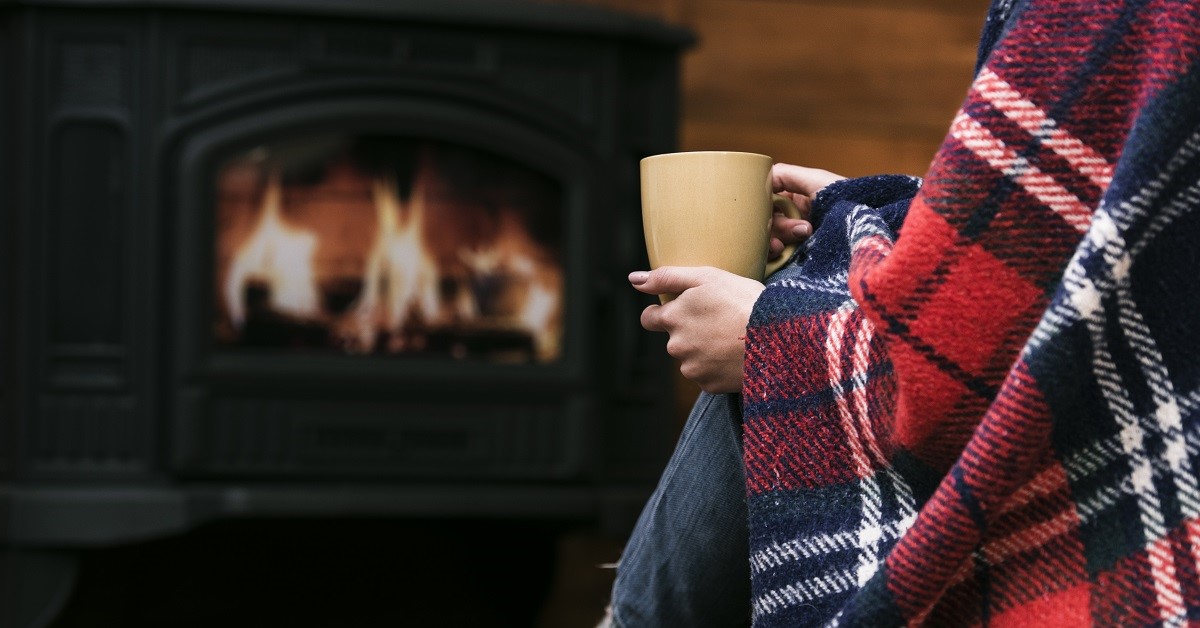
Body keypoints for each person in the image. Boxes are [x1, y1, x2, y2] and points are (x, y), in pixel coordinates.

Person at [602, 0, 1200, 625]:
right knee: (819, 282)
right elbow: (1081, 262)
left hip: (1125, 532)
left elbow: (949, 379)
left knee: (790, 317)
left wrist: (769, 338)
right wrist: (874, 215)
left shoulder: (1094, 16)